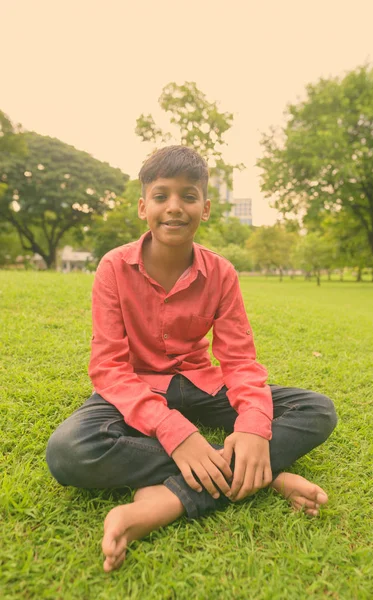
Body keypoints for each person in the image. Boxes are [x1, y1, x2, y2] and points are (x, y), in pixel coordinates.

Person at [46, 146, 337, 573]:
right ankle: (264, 475)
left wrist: (255, 427)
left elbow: (239, 360)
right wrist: (176, 433)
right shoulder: (113, 267)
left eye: (188, 196)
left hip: (199, 382)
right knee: (68, 451)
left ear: (206, 207)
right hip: (136, 388)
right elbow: (108, 367)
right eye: (161, 196)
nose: (174, 208)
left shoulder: (221, 273)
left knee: (316, 410)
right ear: (143, 206)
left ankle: (170, 499)